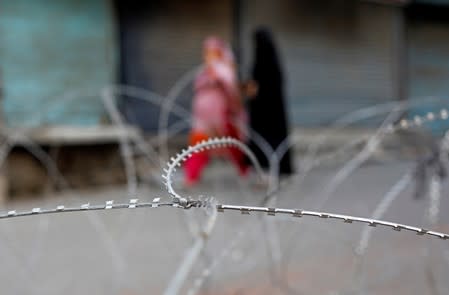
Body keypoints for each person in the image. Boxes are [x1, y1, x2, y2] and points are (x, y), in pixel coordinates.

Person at [184, 37, 249, 186]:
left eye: (211, 52)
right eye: (206, 52)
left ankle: (245, 170)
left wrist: (218, 77)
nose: (207, 55)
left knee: (232, 144)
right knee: (198, 144)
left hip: (220, 115)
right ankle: (191, 176)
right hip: (202, 117)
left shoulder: (224, 70)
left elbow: (231, 90)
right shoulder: (204, 71)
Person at [246, 27, 293, 175]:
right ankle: (269, 170)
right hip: (272, 112)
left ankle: (268, 171)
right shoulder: (273, 62)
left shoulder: (263, 64)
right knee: (269, 140)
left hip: (264, 112)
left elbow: (257, 88)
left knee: (265, 141)